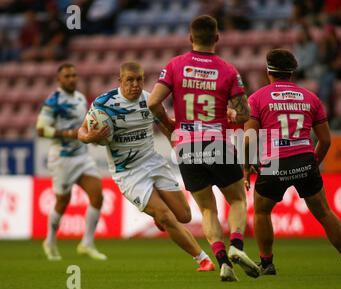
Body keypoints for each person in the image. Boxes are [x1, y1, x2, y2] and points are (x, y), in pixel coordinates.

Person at [147, 15, 260, 281]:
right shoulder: (228, 70)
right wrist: (232, 114)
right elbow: (245, 115)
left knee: (208, 210)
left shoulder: (175, 65)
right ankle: (236, 246)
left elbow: (153, 102)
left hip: (186, 147)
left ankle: (222, 262)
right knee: (236, 199)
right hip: (216, 143)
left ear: (190, 38)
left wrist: (170, 124)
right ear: (217, 38)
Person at [78, 62, 215, 272]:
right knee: (166, 216)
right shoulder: (103, 104)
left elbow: (167, 126)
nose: (135, 85)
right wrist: (89, 137)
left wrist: (180, 149)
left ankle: (162, 219)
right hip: (128, 172)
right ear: (120, 81)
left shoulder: (149, 100)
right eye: (129, 80)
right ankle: (203, 259)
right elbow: (81, 131)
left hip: (153, 161)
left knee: (184, 216)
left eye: (139, 80)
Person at [244, 49, 341, 275]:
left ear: (268, 70)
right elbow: (326, 140)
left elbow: (249, 137)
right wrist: (311, 162)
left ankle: (267, 263)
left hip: (274, 162)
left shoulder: (257, 98)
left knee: (261, 212)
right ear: (292, 72)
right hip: (304, 158)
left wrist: (246, 164)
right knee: (324, 212)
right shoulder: (310, 97)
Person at [36, 63, 107, 261]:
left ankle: (87, 243)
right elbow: (41, 130)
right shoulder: (53, 101)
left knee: (97, 195)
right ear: (59, 80)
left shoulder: (80, 98)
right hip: (62, 159)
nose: (72, 79)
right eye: (67, 76)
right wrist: (67, 133)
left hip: (82, 156)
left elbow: (83, 126)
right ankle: (49, 241)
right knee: (62, 202)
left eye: (74, 75)